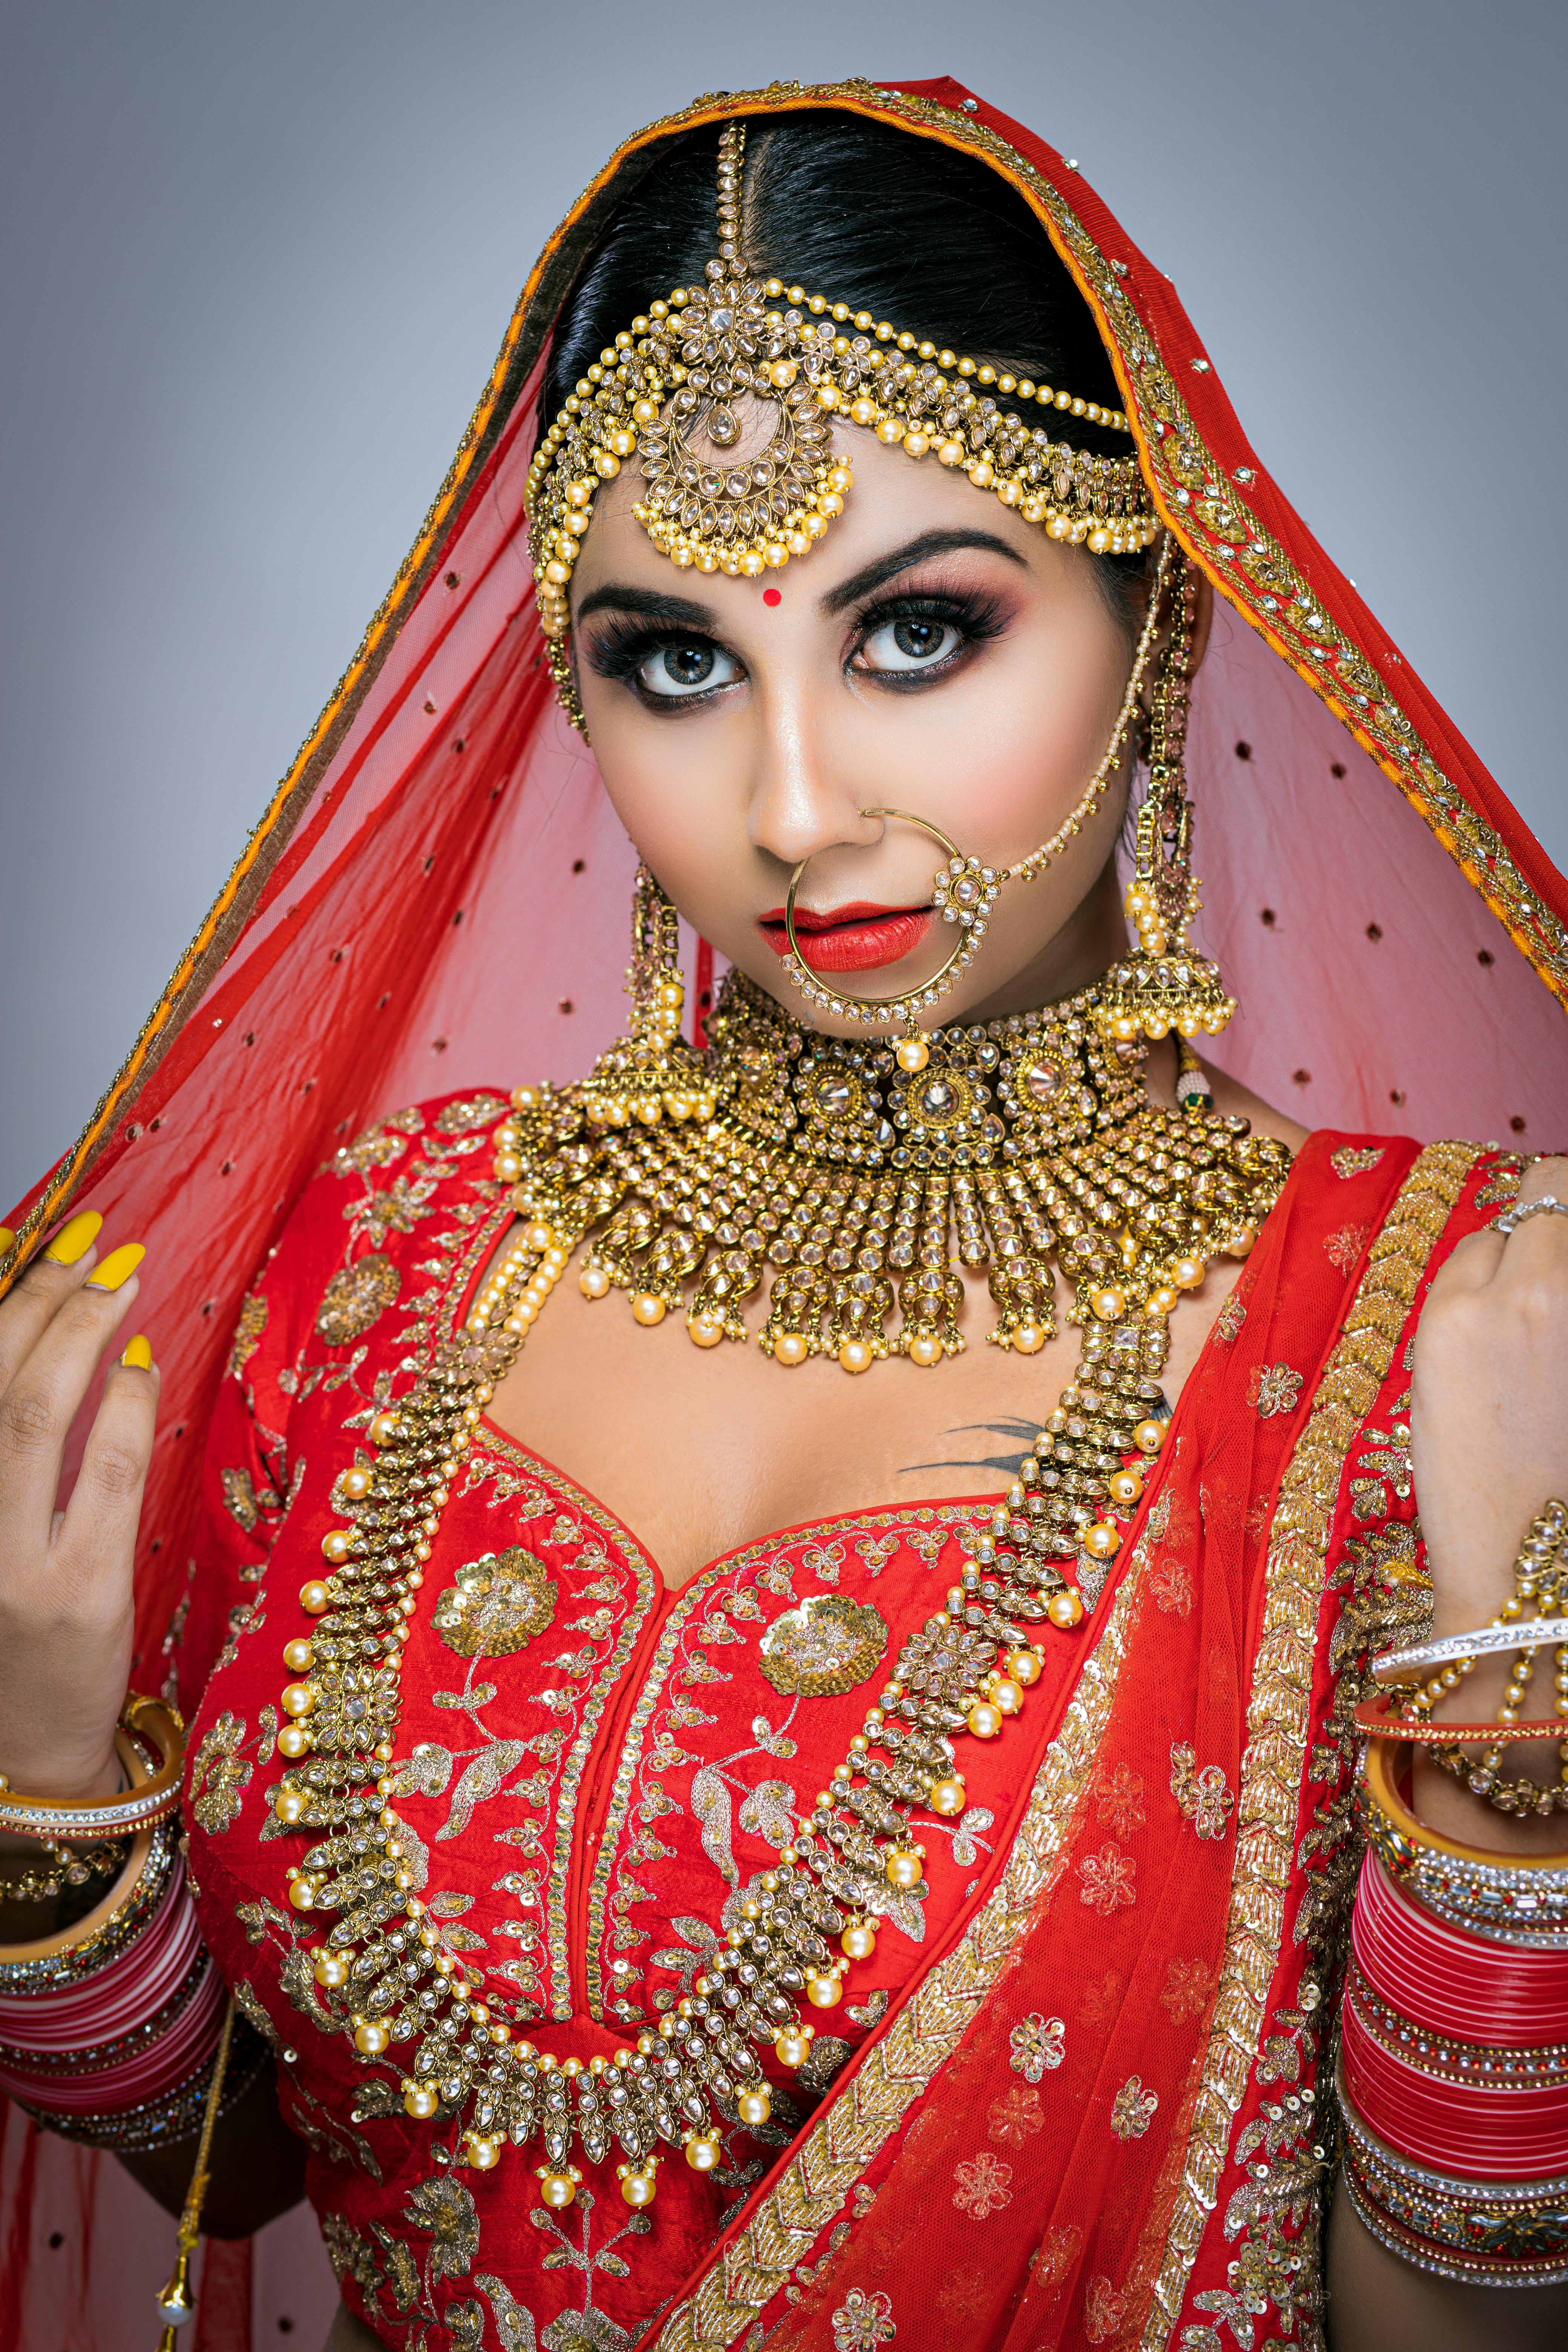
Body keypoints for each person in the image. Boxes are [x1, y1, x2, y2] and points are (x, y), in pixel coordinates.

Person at [2, 75, 1566, 2352]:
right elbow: (257, 2164)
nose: (791, 800)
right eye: (671, 661)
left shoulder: (1435, 1340)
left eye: (918, 633)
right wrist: (51, 1805)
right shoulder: (387, 1266)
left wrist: (1510, 1757)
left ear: (1163, 622)